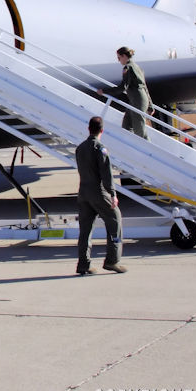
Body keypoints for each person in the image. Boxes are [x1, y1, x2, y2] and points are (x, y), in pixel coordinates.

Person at [75, 116, 126, 274]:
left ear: (88, 129)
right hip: (98, 191)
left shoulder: (80, 148)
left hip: (83, 192)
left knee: (85, 230)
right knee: (115, 221)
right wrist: (113, 194)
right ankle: (112, 260)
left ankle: (84, 264)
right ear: (102, 130)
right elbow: (106, 174)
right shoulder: (100, 148)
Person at [106, 46, 150, 139]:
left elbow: (123, 87)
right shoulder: (136, 66)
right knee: (127, 125)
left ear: (124, 56)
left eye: (119, 57)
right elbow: (145, 87)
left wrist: (105, 91)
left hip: (138, 100)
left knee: (139, 130)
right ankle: (130, 145)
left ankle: (147, 151)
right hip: (137, 100)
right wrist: (150, 104)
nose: (118, 60)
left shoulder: (128, 68)